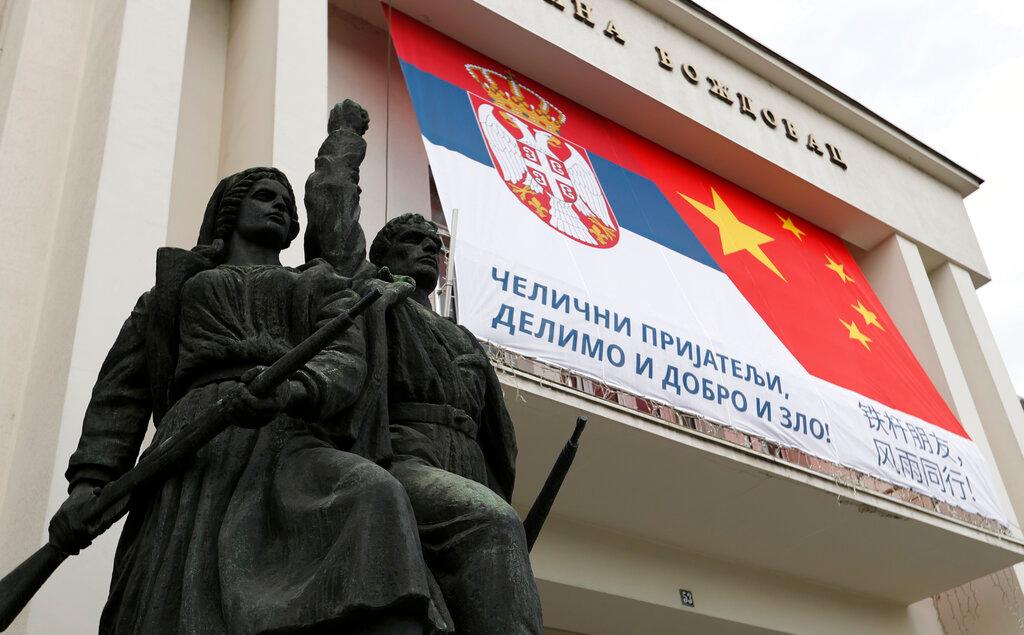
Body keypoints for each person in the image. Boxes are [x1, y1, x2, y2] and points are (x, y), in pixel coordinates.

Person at [50, 158, 450, 633]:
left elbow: (346, 357)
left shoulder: (317, 282)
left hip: (288, 434)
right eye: (265, 197)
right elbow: (121, 393)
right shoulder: (172, 292)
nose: (280, 207)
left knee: (375, 494)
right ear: (229, 209)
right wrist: (88, 485)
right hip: (194, 447)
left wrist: (294, 388)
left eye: (286, 203)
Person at [306, 102, 543, 634]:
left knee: (496, 566)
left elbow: (494, 434)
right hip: (403, 452)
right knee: (492, 523)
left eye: (434, 246)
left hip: (469, 462)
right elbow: (332, 218)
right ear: (384, 253)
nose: (427, 251)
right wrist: (345, 140)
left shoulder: (462, 337)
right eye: (411, 241)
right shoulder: (371, 292)